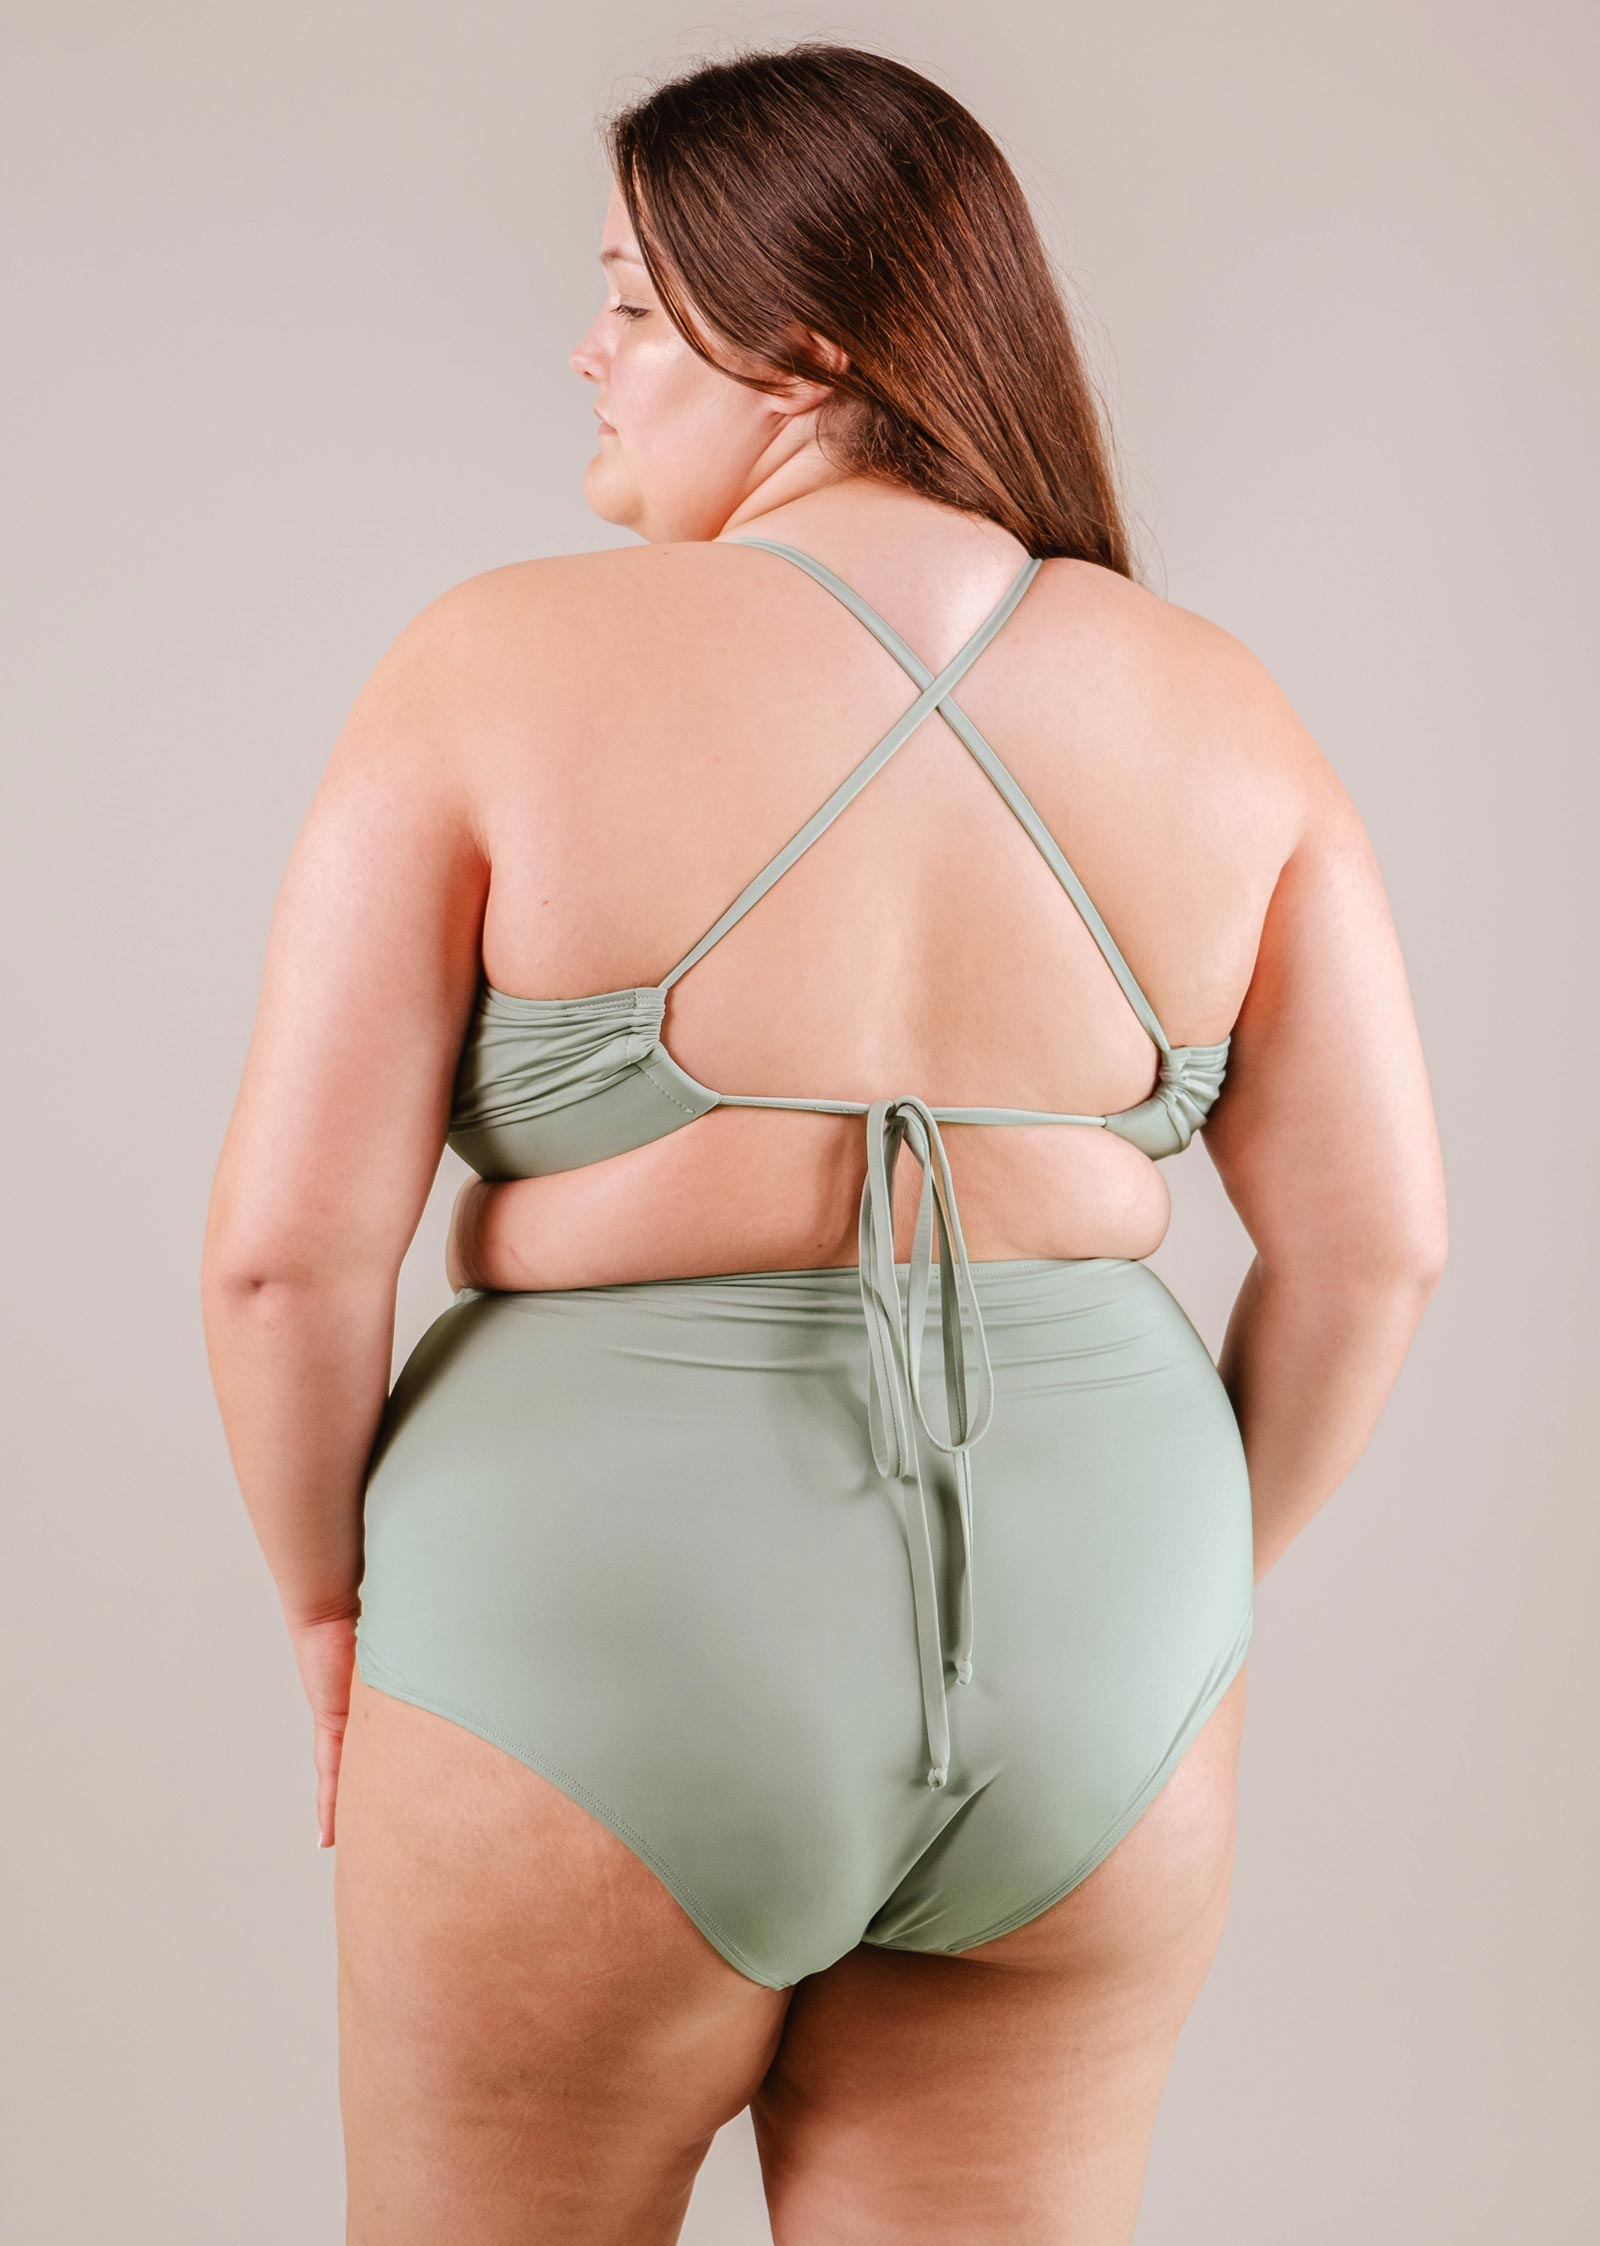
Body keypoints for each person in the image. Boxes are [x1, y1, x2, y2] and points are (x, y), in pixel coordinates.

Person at [200, 40, 1448, 2245]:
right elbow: (1377, 1256)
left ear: (807, 338)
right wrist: (1169, 1600)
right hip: (1101, 1632)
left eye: (630, 295)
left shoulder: (491, 661)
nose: (583, 349)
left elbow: (284, 1262)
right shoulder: (1219, 702)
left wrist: (323, 1605)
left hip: (587, 1619)